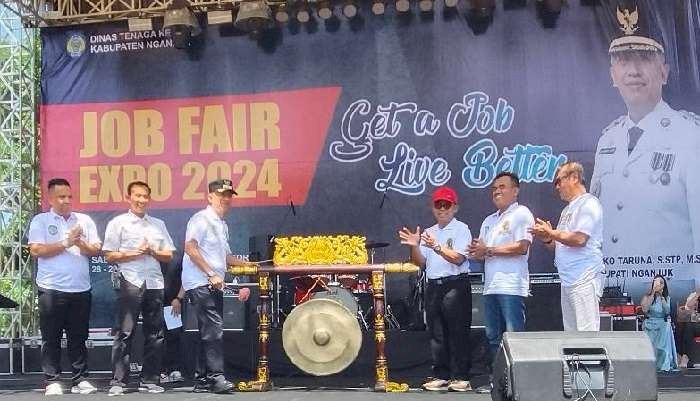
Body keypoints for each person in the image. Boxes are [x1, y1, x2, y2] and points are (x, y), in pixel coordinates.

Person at [590, 8, 700, 293]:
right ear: (613, 74)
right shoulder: (608, 140)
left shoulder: (690, 135)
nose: (633, 71)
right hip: (614, 288)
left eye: (644, 59)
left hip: (673, 292)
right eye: (624, 60)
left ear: (664, 71)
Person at [27, 178, 102, 396]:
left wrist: (79, 243)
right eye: (61, 197)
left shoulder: (83, 220)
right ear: (50, 198)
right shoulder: (40, 221)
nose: (66, 200)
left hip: (80, 288)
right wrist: (66, 243)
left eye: (69, 196)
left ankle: (80, 379)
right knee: (51, 336)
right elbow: (36, 251)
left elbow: (96, 250)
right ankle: (52, 379)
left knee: (78, 336)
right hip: (51, 288)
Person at [103, 181, 176, 396]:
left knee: (155, 333)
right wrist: (136, 253)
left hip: (154, 282)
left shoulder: (158, 224)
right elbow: (109, 255)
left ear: (149, 199)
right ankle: (119, 381)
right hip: (130, 280)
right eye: (137, 196)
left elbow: (169, 254)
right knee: (124, 332)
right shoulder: (118, 223)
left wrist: (152, 251)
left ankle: (150, 379)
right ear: (129, 197)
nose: (141, 200)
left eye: (145, 196)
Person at [398, 186, 472, 392]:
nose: (442, 209)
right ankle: (441, 374)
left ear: (455, 208)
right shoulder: (429, 232)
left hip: (455, 284)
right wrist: (414, 245)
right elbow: (420, 262)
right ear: (432, 208)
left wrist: (437, 247)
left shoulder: (461, 229)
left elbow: (458, 258)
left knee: (457, 332)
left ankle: (461, 376)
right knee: (437, 333)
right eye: (438, 205)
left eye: (446, 205)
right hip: (434, 285)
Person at [182, 179, 251, 394]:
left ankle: (202, 379)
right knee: (214, 330)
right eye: (221, 195)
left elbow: (227, 257)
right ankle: (216, 377)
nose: (226, 199)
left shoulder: (222, 225)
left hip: (213, 284)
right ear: (210, 197)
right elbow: (190, 248)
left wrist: (249, 265)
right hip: (201, 282)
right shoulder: (201, 219)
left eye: (229, 195)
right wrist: (210, 273)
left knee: (209, 330)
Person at [468, 172, 534, 393]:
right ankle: (498, 382)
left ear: (515, 191)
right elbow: (483, 253)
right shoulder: (489, 220)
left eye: (502, 187)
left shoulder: (521, 214)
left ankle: (520, 383)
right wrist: (476, 252)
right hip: (491, 286)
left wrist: (488, 250)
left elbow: (522, 247)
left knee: (514, 335)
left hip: (511, 286)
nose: (497, 191)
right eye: (494, 188)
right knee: (493, 337)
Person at [530, 161, 605, 331]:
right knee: (572, 335)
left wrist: (552, 233)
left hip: (584, 278)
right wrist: (547, 238)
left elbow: (579, 239)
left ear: (574, 178)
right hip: (568, 280)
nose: (557, 187)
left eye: (559, 181)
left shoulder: (589, 203)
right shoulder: (567, 211)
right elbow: (559, 245)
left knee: (587, 335)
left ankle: (591, 359)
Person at [640, 275, 677, 372]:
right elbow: (645, 309)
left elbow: (667, 311)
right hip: (650, 322)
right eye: (656, 282)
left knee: (666, 326)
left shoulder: (666, 298)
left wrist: (661, 297)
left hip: (661, 323)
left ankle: (663, 363)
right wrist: (653, 293)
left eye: (660, 283)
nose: (658, 285)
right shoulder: (647, 296)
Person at [675, 291, 699, 369]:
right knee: (683, 326)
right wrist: (697, 295)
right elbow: (688, 306)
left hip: (695, 323)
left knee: (687, 326)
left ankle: (683, 355)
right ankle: (683, 355)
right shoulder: (694, 295)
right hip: (695, 324)